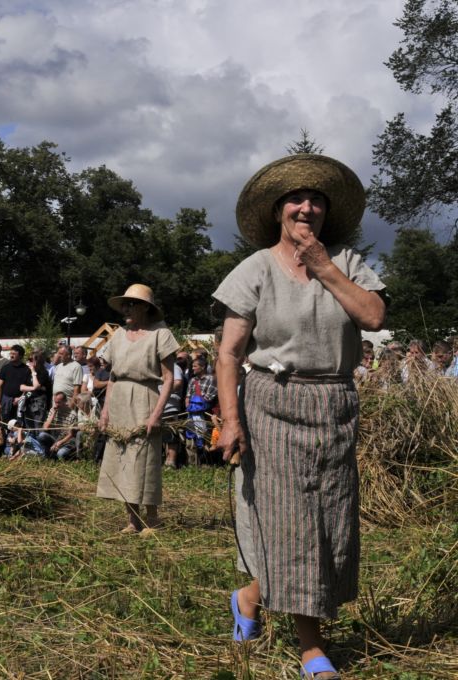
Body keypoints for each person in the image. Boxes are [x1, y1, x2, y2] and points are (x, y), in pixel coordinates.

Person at [213, 154, 385, 679]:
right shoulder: (255, 269)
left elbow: (373, 316)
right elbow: (229, 353)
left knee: (328, 520)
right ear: (277, 212)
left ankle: (249, 597)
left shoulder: (347, 262)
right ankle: (311, 645)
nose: (306, 207)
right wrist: (231, 420)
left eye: (316, 200)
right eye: (295, 199)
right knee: (291, 521)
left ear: (326, 213)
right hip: (273, 403)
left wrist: (323, 266)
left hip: (334, 404)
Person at [96, 284, 177, 535]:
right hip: (119, 401)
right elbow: (112, 378)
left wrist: (157, 414)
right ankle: (132, 520)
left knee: (144, 458)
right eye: (125, 304)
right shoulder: (119, 335)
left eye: (132, 304)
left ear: (145, 308)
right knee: (122, 458)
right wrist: (105, 411)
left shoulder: (161, 334)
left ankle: (152, 519)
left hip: (145, 400)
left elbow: (169, 378)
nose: (126, 309)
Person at [24, 391, 79, 460]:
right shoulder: (53, 410)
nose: (56, 405)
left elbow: (71, 434)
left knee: (61, 454)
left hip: (66, 441)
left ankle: (64, 456)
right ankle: (48, 455)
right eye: (55, 402)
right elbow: (45, 428)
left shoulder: (72, 414)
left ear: (65, 401)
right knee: (42, 435)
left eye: (59, 402)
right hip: (55, 438)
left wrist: (59, 443)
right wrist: (53, 414)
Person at [0, 345, 31, 424]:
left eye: (14, 354)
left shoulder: (26, 369)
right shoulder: (5, 368)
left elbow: (28, 387)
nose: (11, 356)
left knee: (18, 424)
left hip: (20, 402)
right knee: (5, 424)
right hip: (6, 401)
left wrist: (20, 398)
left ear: (21, 356)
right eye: (11, 353)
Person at [20, 349, 53, 429]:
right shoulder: (27, 371)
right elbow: (22, 387)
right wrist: (34, 388)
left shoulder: (43, 372)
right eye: (29, 359)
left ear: (37, 360)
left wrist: (33, 372)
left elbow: (36, 385)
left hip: (39, 402)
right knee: (29, 426)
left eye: (31, 359)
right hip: (28, 399)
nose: (29, 361)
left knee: (38, 426)